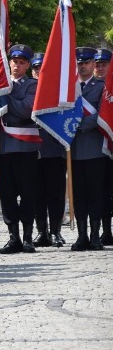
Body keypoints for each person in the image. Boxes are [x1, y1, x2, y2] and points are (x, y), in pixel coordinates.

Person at [0, 44, 40, 254]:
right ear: (9, 62)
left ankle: (28, 236)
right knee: (6, 195)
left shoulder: (32, 85)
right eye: (14, 61)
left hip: (25, 147)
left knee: (28, 194)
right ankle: (13, 236)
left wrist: (3, 97)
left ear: (27, 65)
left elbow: (27, 109)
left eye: (21, 62)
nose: (17, 65)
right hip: (3, 148)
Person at [69, 47, 106, 250]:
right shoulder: (69, 87)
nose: (82, 66)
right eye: (79, 63)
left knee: (95, 193)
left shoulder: (101, 87)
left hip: (93, 147)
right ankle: (82, 235)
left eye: (86, 62)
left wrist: (78, 125)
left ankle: (95, 235)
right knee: (79, 194)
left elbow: (103, 113)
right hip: (72, 150)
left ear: (93, 64)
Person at [30, 53, 67, 248]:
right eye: (35, 68)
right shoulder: (28, 89)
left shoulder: (57, 91)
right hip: (33, 150)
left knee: (56, 194)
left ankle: (56, 232)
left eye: (41, 68)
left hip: (54, 148)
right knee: (37, 194)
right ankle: (41, 232)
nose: (38, 71)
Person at [93, 48, 113, 245]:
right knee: (101, 190)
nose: (99, 68)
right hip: (99, 147)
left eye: (103, 64)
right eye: (96, 64)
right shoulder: (89, 86)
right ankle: (106, 231)